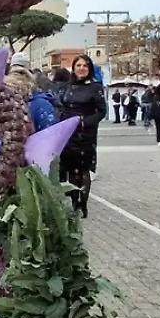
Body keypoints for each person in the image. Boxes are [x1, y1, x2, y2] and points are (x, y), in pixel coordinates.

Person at [59, 55, 106, 216]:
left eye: (85, 65)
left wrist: (85, 122)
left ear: (89, 68)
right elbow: (63, 106)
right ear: (73, 68)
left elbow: (102, 111)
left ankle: (82, 203)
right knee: (71, 169)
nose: (81, 68)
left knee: (83, 169)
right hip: (68, 133)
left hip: (85, 134)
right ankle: (73, 202)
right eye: (78, 65)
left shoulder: (95, 87)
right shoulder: (69, 86)